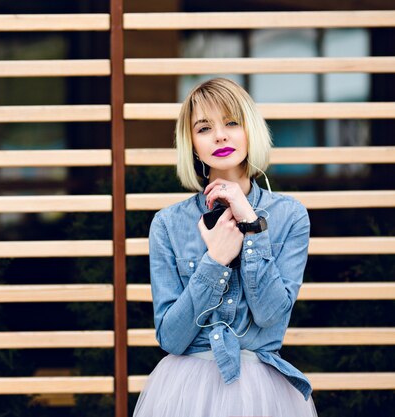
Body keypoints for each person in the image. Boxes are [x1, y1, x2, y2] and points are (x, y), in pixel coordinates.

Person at [132, 78, 319, 416]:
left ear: (250, 130)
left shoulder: (290, 216)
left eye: (231, 123)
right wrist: (215, 260)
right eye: (204, 128)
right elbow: (171, 338)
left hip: (263, 393)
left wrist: (252, 227)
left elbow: (271, 316)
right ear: (191, 143)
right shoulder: (168, 224)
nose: (220, 135)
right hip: (184, 392)